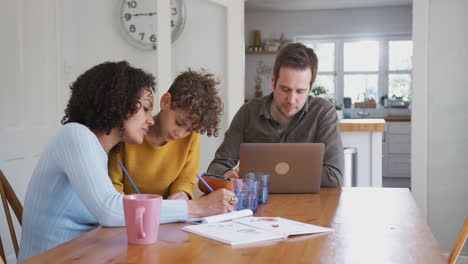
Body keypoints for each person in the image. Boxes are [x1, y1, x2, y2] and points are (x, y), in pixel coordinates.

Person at [18, 61, 235, 262]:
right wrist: (195, 207)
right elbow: (110, 209)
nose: (150, 120)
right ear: (120, 104)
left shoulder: (98, 151)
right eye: (146, 109)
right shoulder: (75, 136)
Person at [207, 43, 344, 187]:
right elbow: (216, 168)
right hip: (259, 205)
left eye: (300, 91)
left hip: (310, 205)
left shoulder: (323, 113)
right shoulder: (248, 113)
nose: (291, 100)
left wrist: (264, 174)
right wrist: (226, 174)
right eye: (285, 89)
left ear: (311, 86)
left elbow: (334, 177)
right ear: (273, 80)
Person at [108, 69, 223, 200]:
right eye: (179, 122)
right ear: (165, 101)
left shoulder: (191, 138)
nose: (180, 133)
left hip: (167, 212)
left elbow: (186, 178)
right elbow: (113, 183)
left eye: (189, 129)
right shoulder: (130, 133)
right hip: (128, 210)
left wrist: (182, 193)